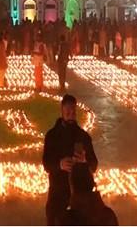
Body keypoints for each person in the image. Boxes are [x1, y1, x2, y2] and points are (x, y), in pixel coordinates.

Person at [42, 94, 98, 226]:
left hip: (80, 195)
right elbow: (46, 164)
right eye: (68, 111)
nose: (71, 114)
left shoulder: (83, 137)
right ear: (62, 111)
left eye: (73, 111)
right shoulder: (52, 136)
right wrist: (59, 164)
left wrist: (85, 161)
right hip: (58, 193)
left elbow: (94, 164)